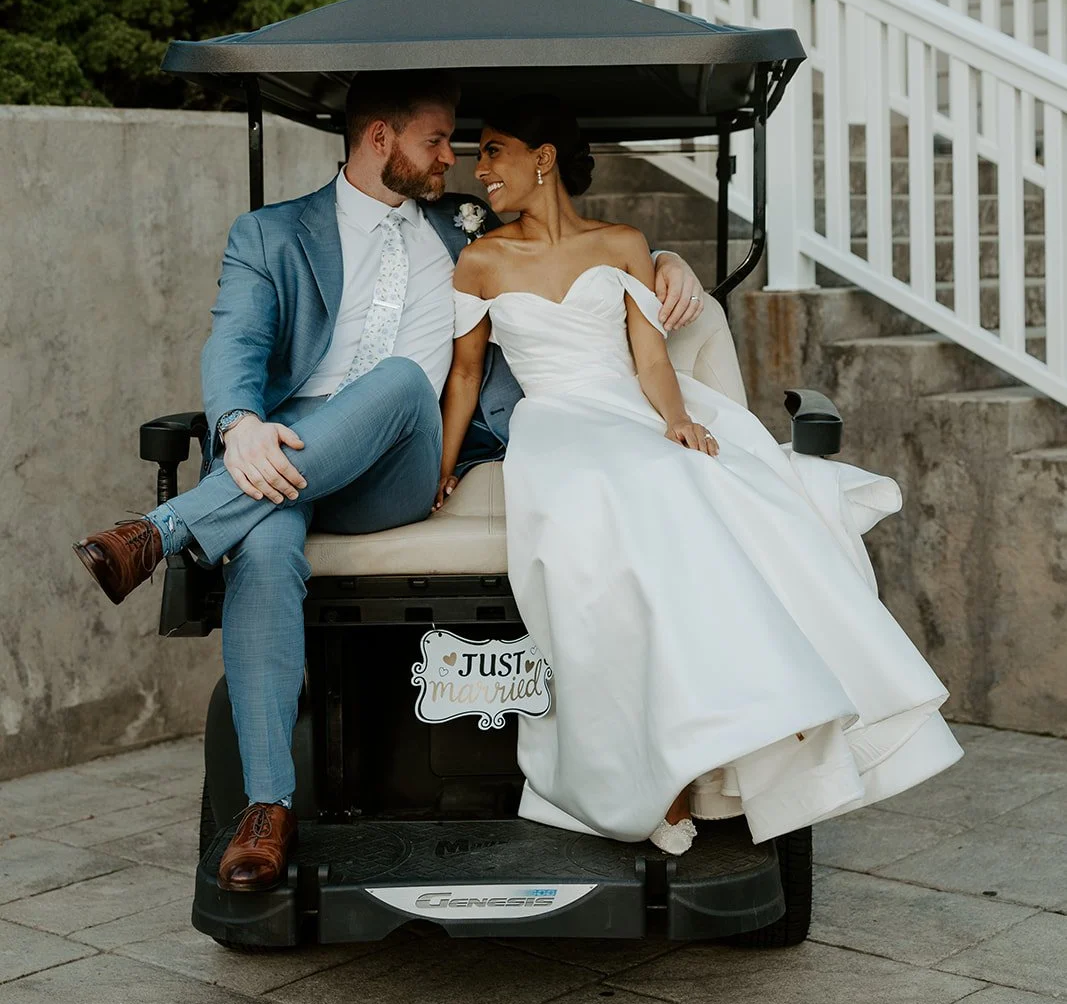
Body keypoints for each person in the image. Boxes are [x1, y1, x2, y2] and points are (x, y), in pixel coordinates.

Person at [73, 74, 706, 890]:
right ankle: (266, 814)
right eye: (436, 141)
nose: (455, 158)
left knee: (404, 379)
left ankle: (160, 533)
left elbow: (563, 246)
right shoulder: (271, 235)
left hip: (400, 465)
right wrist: (238, 424)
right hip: (288, 454)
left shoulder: (462, 225)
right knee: (264, 548)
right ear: (380, 139)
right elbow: (234, 343)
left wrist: (664, 257)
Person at [437, 94, 962, 855]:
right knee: (643, 490)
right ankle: (684, 752)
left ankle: (755, 712)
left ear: (542, 157)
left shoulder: (621, 243)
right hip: (553, 424)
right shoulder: (480, 259)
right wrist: (443, 471)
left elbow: (648, 354)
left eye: (491, 150)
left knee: (703, 481)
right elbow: (464, 376)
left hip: (628, 407)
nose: (478, 168)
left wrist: (677, 417)